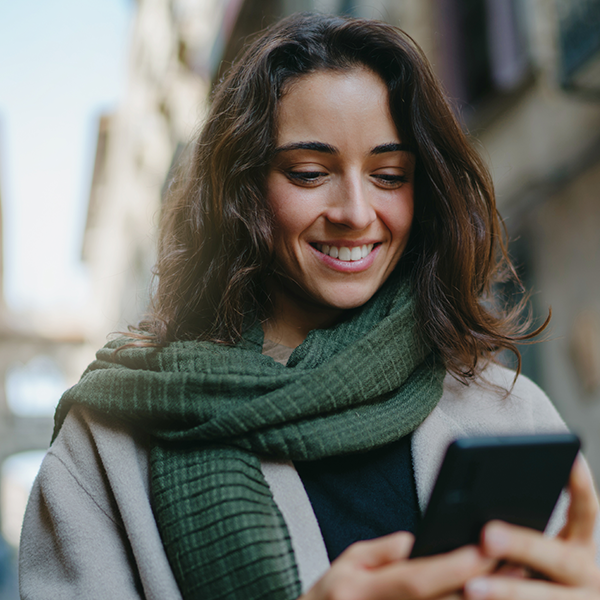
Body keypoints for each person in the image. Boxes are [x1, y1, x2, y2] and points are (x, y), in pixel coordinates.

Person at [19, 12, 600, 600]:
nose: (355, 210)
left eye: (390, 175)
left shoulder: (509, 414)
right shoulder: (109, 444)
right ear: (241, 191)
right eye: (309, 173)